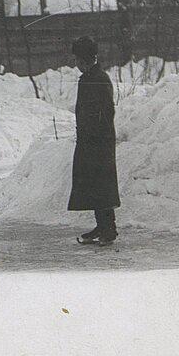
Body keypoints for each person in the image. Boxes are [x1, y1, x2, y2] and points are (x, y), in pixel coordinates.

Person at [69, 36, 120, 246]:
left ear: (88, 59)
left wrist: (94, 134)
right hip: (89, 141)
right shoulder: (88, 77)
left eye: (80, 60)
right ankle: (101, 225)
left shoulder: (99, 78)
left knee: (102, 184)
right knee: (93, 185)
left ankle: (110, 228)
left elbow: (107, 111)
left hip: (99, 141)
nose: (78, 64)